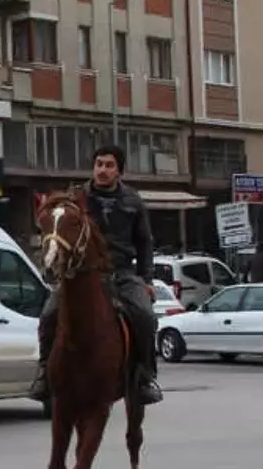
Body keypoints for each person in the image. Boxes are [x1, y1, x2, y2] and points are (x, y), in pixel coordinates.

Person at [30, 146, 163, 406]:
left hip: (122, 272)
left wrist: (146, 280)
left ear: (119, 171)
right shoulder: (77, 198)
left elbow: (145, 243)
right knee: (48, 315)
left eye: (109, 165)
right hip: (82, 272)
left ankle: (145, 377)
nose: (102, 170)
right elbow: (56, 224)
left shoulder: (133, 201)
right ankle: (45, 375)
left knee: (145, 316)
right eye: (99, 164)